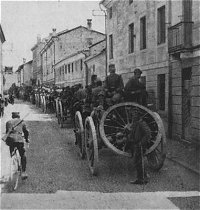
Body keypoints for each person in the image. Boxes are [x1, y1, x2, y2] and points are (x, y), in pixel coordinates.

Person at [128, 110, 151, 185]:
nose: (133, 117)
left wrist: (141, 143)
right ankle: (140, 178)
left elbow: (147, 133)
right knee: (137, 162)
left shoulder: (141, 123)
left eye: (134, 116)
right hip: (136, 144)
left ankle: (143, 179)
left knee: (139, 162)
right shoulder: (136, 123)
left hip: (140, 145)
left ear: (138, 117)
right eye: (133, 116)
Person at [5, 112, 30, 179]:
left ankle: (12, 156)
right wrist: (27, 139)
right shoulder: (22, 122)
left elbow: (7, 132)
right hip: (19, 140)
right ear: (18, 116)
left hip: (10, 140)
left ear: (12, 116)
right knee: (23, 154)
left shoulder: (8, 122)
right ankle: (23, 172)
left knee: (12, 148)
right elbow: (26, 132)